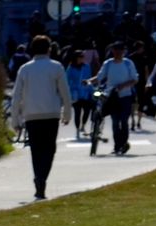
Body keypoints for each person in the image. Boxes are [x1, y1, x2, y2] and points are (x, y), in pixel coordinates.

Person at [8, 34, 73, 198]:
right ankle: (42, 178)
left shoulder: (25, 69)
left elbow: (16, 96)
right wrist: (67, 113)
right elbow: (65, 92)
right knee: (49, 149)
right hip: (51, 114)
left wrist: (15, 119)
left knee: (36, 150)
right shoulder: (56, 67)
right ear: (49, 49)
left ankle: (38, 178)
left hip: (32, 115)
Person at [91, 40, 138, 155]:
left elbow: (134, 79)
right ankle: (117, 146)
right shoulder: (108, 63)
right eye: (115, 50)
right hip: (111, 96)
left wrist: (123, 86)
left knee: (124, 121)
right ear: (112, 51)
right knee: (115, 122)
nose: (118, 53)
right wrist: (89, 81)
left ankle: (123, 143)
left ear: (124, 51)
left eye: (120, 50)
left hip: (125, 96)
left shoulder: (128, 63)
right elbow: (100, 76)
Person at [66, 49, 95, 135]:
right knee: (77, 112)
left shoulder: (87, 66)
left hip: (86, 92)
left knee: (87, 110)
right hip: (75, 94)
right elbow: (67, 80)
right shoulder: (70, 68)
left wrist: (91, 90)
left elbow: (89, 78)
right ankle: (78, 129)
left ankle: (83, 126)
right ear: (76, 58)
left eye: (83, 57)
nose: (82, 58)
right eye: (80, 57)